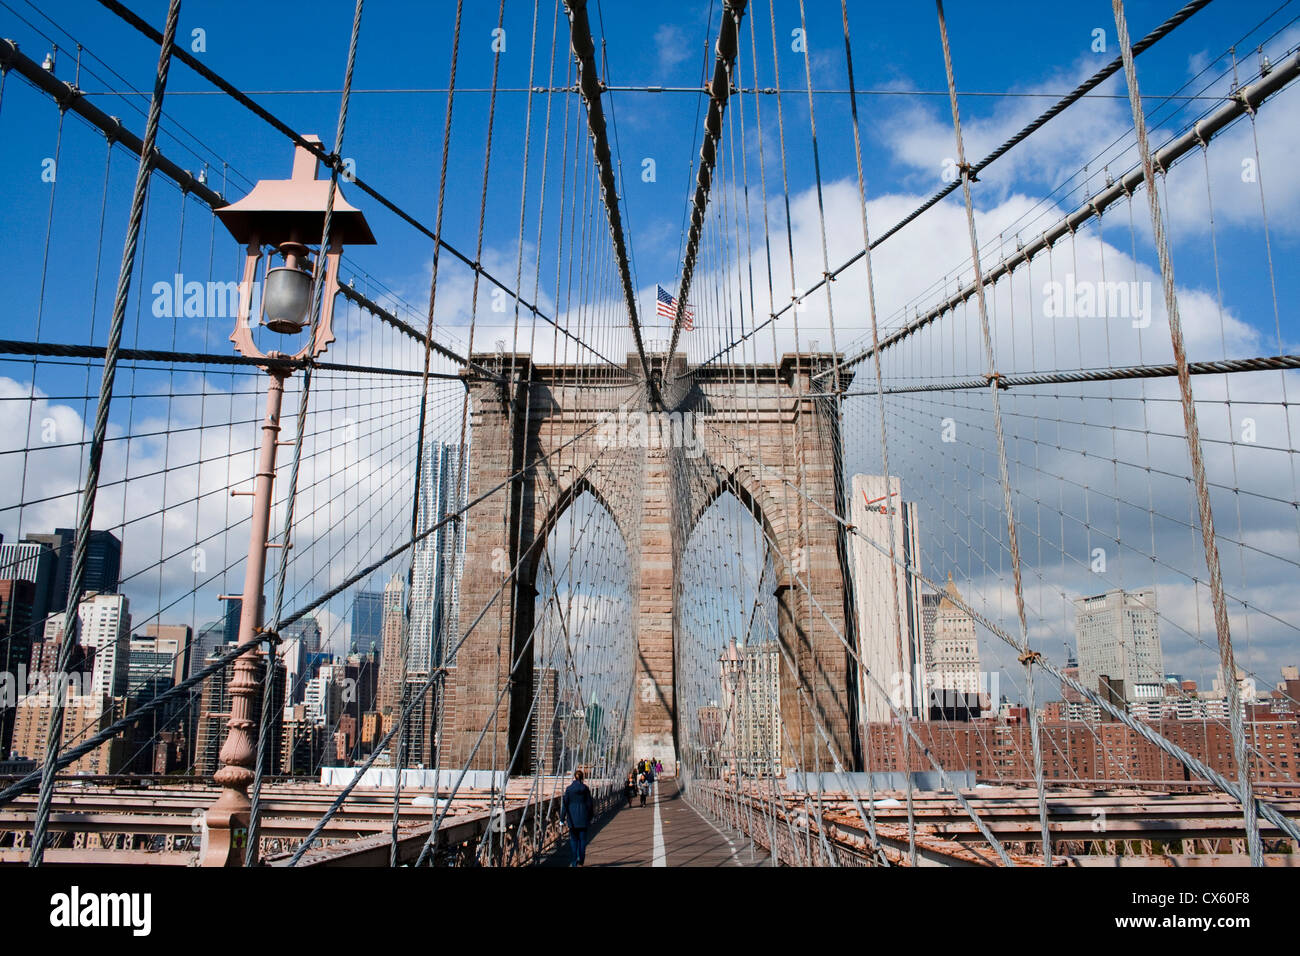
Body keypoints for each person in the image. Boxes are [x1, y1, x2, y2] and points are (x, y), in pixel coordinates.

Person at [561, 769, 594, 867]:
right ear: (582, 778)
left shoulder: (569, 789)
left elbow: (565, 805)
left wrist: (562, 819)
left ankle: (574, 862)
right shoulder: (585, 789)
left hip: (572, 818)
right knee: (583, 840)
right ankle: (581, 859)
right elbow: (589, 804)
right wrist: (591, 816)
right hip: (583, 818)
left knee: (574, 841)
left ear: (574, 777)